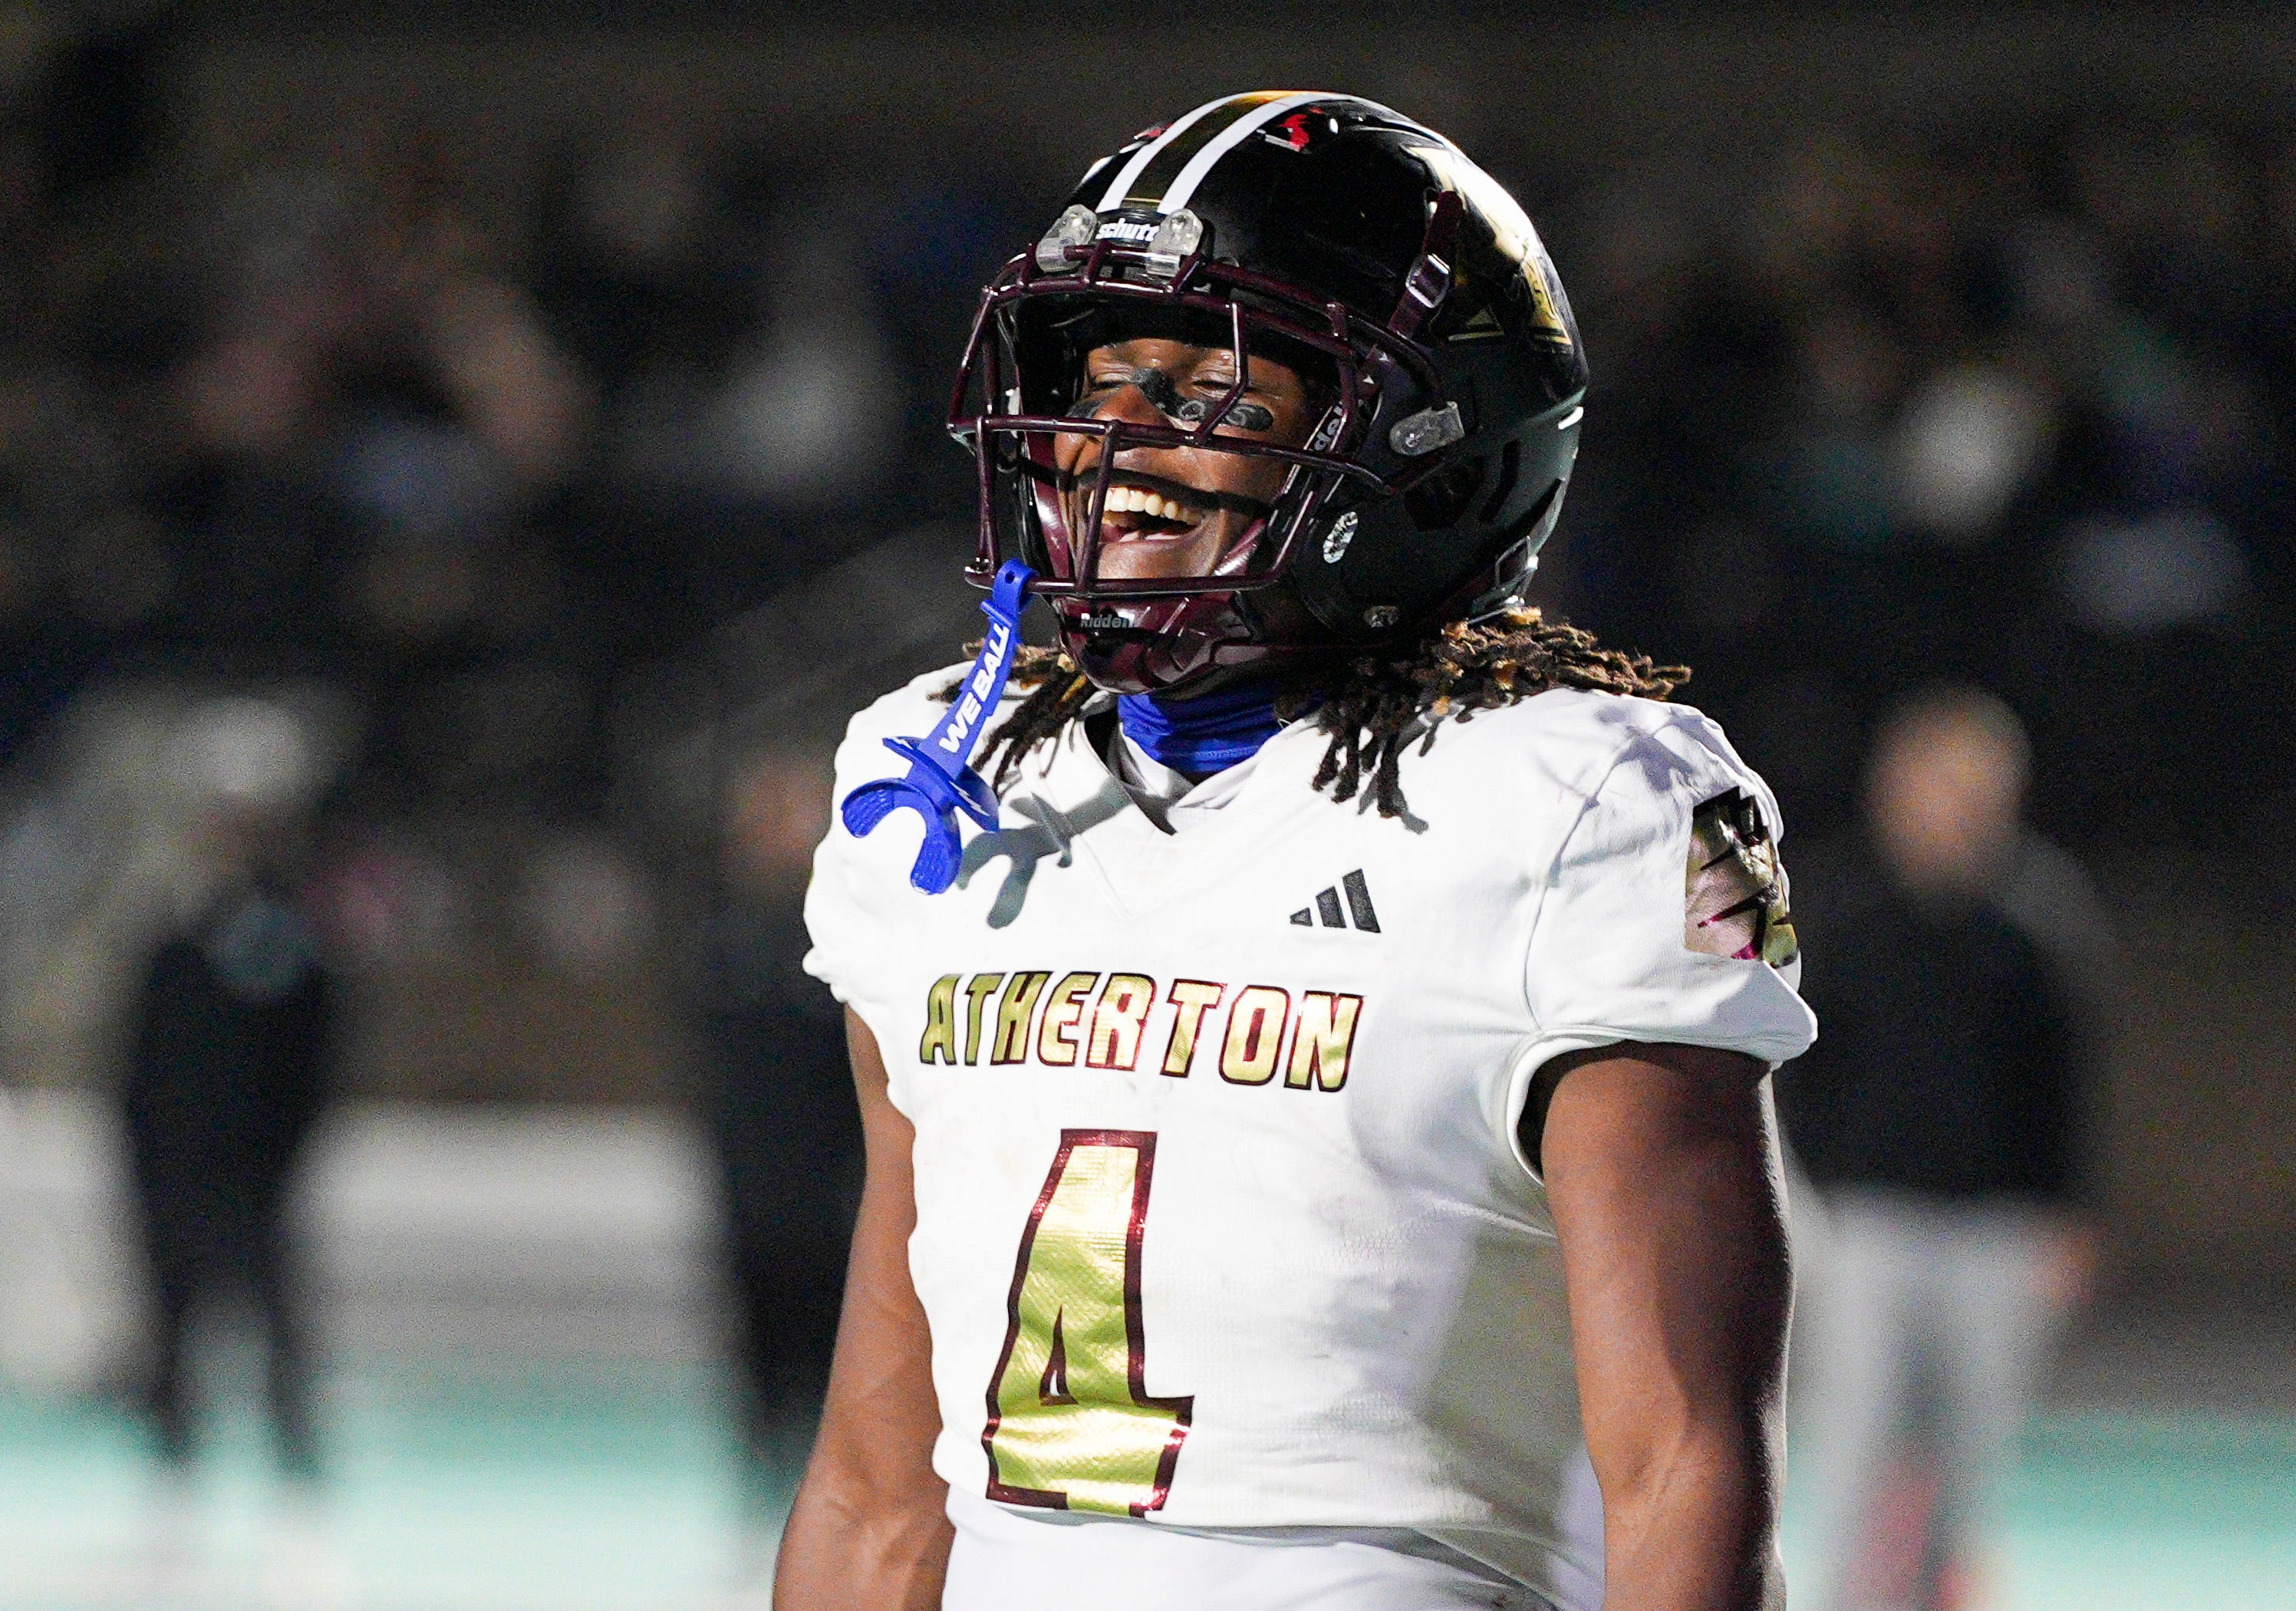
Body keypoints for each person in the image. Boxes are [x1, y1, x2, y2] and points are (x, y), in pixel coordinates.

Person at [779, 92, 1817, 1611]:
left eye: (1209, 401)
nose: (1119, 451)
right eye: (1103, 382)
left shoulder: (1585, 803)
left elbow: (1680, 1466)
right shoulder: (944, 774)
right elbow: (880, 1479)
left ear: (1434, 456)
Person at [1778, 687, 2105, 1611]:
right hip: (1865, 1225)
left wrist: (2069, 1217)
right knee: (1851, 1443)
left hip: (1996, 1234)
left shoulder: (2039, 914)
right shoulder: (1834, 908)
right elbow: (1790, 1071)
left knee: (1969, 1457)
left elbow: (2066, 1082)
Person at [122, 805, 336, 1479]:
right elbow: (139, 1066)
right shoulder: (177, 952)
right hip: (180, 1167)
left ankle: (293, 1452)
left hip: (254, 1171)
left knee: (276, 1321)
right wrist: (146, 1159)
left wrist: (280, 1160)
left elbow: (311, 1067)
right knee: (173, 1321)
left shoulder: (293, 950)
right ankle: (173, 1450)